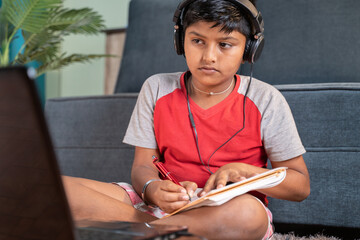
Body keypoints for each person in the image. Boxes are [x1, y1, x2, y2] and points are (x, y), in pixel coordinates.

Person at [62, 0, 310, 239]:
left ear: (249, 50)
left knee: (248, 215)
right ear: (181, 42)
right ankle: (158, 232)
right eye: (197, 41)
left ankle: (133, 230)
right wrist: (152, 188)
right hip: (161, 206)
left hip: (226, 209)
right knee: (58, 188)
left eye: (225, 44)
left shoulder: (266, 99)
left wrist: (244, 172)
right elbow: (142, 166)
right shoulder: (156, 88)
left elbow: (300, 186)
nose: (209, 56)